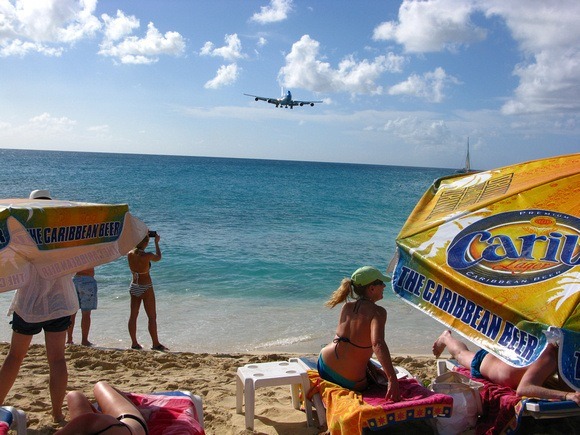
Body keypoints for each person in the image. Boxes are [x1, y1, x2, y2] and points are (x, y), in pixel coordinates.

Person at [0, 189, 79, 423]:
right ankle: (56, 414)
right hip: (60, 303)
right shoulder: (65, 236)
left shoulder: (20, 234)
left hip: (29, 303)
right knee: (57, 359)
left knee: (15, 356)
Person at [318, 266, 400, 402]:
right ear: (371, 288)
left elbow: (351, 342)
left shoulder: (347, 306)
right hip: (348, 380)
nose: (384, 286)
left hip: (324, 365)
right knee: (374, 382)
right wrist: (392, 379)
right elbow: (377, 344)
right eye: (381, 283)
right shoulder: (378, 312)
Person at [433, 330, 580, 405]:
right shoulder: (549, 357)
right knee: (461, 354)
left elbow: (566, 384)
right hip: (486, 362)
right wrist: (567, 396)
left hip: (508, 357)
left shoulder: (560, 355)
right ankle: (446, 337)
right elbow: (524, 389)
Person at [55, 380, 148, 435]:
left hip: (114, 427)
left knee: (73, 395)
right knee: (100, 385)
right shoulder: (90, 422)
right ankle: (141, 412)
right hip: (131, 425)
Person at [127, 232, 168, 351]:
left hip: (134, 285)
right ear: (145, 242)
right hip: (146, 286)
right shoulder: (147, 255)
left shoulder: (129, 254)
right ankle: (155, 344)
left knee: (133, 316)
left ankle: (134, 343)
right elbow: (158, 257)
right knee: (151, 317)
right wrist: (156, 243)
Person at [67, 268, 98, 346]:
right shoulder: (90, 255)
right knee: (86, 313)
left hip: (75, 280)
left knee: (72, 313)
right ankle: (84, 340)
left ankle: (69, 339)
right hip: (88, 280)